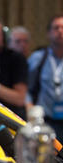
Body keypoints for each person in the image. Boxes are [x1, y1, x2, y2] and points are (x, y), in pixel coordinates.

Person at [27, 13, 63, 143]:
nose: (60, 31)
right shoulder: (37, 58)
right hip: (46, 122)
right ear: (48, 33)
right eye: (56, 28)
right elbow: (27, 90)